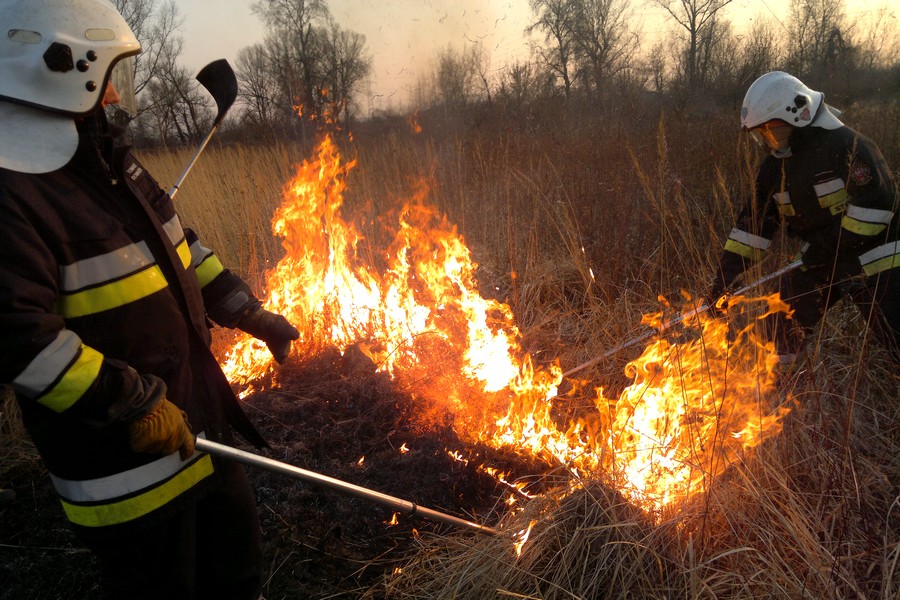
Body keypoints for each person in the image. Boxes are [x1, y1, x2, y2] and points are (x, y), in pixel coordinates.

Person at [0, 1, 300, 598]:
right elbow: (18, 338)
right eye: (107, 76)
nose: (116, 95)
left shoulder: (109, 162)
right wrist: (131, 402)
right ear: (58, 70)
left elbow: (177, 244)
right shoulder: (15, 195)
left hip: (200, 431)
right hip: (127, 476)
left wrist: (244, 310)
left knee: (237, 577)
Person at [710, 71, 899, 366]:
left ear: (801, 114)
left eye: (775, 131)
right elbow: (752, 229)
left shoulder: (848, 146)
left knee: (894, 333)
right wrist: (724, 281)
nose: (770, 142)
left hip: (879, 256)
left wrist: (827, 246)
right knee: (781, 318)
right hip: (821, 257)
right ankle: (778, 382)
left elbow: (877, 208)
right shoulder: (773, 169)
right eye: (763, 134)